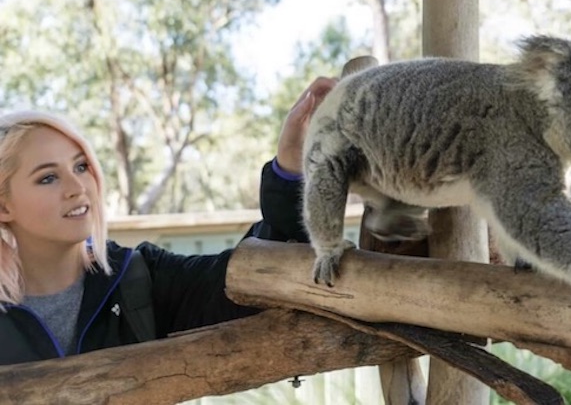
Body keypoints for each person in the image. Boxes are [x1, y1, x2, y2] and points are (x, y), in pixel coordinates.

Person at [0, 77, 336, 365]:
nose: (77, 188)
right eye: (47, 178)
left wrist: (290, 168)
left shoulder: (139, 280)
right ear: (4, 207)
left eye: (81, 167)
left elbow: (256, 275)